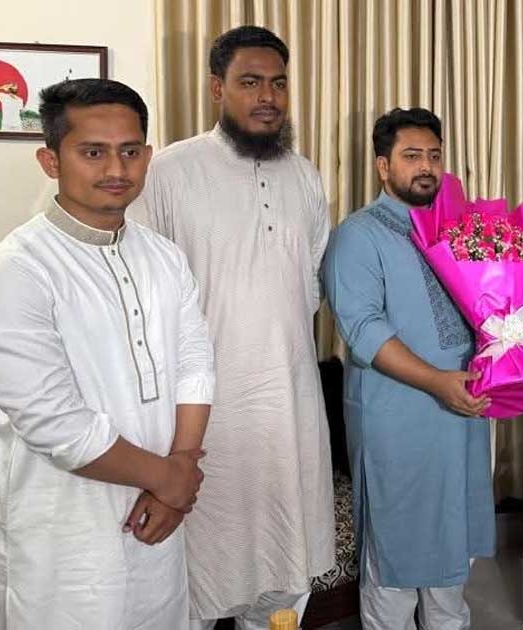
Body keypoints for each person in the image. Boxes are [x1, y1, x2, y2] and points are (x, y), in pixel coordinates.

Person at [0, 78, 214, 629]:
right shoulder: (12, 271)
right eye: (93, 152)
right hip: (61, 530)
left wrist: (180, 468)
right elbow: (56, 424)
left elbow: (195, 364)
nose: (116, 169)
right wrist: (170, 479)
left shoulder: (164, 257)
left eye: (130, 151)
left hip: (156, 516)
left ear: (148, 155)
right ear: (50, 160)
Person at [128, 25, 334, 628]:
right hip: (203, 412)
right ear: (217, 88)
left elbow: (309, 284)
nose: (267, 97)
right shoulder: (169, 172)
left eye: (278, 83)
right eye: (250, 82)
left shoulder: (305, 175)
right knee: (195, 571)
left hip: (290, 404)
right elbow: (141, 293)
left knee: (283, 570)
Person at [322, 107, 495, 630]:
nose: (426, 167)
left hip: (460, 416)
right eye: (412, 155)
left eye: (435, 156)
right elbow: (364, 330)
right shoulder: (357, 236)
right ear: (383, 166)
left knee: (452, 564)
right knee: (394, 564)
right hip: (398, 420)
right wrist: (438, 382)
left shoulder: (457, 231)